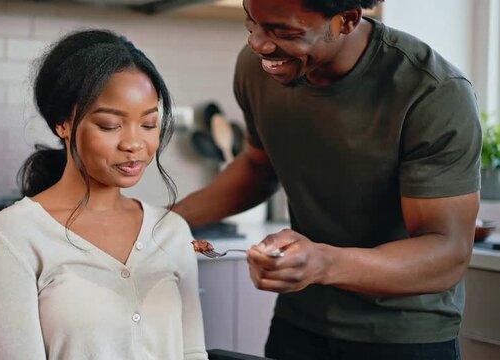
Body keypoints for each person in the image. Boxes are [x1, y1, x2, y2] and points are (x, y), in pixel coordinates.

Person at [173, 0, 481, 359]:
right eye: (251, 23)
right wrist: (161, 222)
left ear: (347, 20)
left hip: (404, 337)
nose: (258, 43)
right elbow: (258, 168)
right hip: (300, 323)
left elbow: (446, 253)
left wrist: (322, 263)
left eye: (283, 32)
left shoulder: (432, 92)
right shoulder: (261, 68)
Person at [0, 29, 208, 360]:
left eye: (149, 124)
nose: (134, 144)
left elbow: (193, 353)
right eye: (110, 125)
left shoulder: (172, 231)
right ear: (63, 123)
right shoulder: (16, 235)